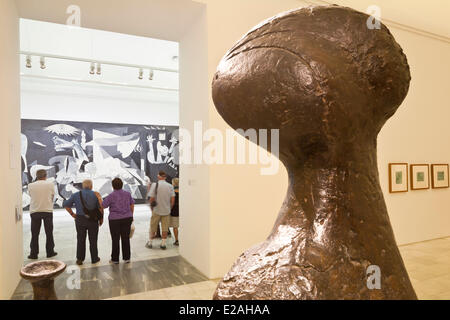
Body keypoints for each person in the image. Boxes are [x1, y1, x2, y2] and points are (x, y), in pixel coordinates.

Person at [63, 179, 102, 265]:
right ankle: (94, 258)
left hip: (80, 219)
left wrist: (73, 214)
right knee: (93, 240)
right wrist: (101, 219)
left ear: (83, 186)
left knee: (80, 239)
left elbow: (66, 205)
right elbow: (100, 207)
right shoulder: (96, 194)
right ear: (91, 186)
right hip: (93, 219)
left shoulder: (76, 195)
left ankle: (80, 259)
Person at [102, 178, 134, 264]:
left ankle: (115, 259)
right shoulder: (128, 194)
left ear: (112, 186)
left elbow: (103, 206)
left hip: (114, 220)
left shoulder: (111, 196)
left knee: (115, 239)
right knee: (126, 238)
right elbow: (131, 205)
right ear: (122, 185)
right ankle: (127, 258)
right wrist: (131, 215)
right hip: (127, 218)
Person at [27, 169, 57, 259]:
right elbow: (52, 196)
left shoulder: (30, 185)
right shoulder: (50, 184)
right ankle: (50, 252)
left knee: (35, 233)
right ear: (45, 175)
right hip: (47, 210)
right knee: (49, 233)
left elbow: (31, 195)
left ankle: (34, 253)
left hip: (35, 211)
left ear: (37, 176)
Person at [146, 171, 175, 250]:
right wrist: (169, 208)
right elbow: (172, 200)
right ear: (165, 177)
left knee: (153, 227)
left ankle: (150, 242)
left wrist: (152, 208)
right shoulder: (170, 186)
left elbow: (151, 198)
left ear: (158, 176)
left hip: (156, 210)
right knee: (165, 228)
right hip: (166, 210)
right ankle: (163, 243)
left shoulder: (155, 185)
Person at [170, 178, 180, 246]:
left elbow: (171, 202)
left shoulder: (172, 192)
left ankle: (177, 240)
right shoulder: (183, 191)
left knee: (175, 227)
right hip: (182, 210)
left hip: (174, 211)